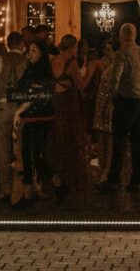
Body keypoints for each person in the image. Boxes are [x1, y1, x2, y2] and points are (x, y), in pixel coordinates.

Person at [96, 23, 140, 194]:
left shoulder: (121, 54)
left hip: (126, 101)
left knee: (119, 141)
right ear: (135, 35)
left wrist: (114, 97)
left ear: (122, 36)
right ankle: (136, 180)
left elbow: (115, 79)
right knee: (137, 142)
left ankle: (113, 180)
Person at [13, 40, 55, 209]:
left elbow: (36, 93)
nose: (30, 54)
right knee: (32, 155)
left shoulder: (41, 71)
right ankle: (38, 189)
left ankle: (31, 192)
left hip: (37, 117)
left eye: (33, 51)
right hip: (32, 116)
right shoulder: (31, 69)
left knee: (32, 154)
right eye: (29, 50)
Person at [50, 34, 91, 202]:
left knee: (59, 137)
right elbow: (81, 85)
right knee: (73, 139)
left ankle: (59, 174)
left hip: (57, 103)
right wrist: (90, 71)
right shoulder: (72, 63)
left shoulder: (54, 61)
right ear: (72, 47)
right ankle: (72, 176)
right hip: (69, 103)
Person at [0, 32, 27, 200]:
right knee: (21, 148)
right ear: (20, 43)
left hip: (2, 105)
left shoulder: (0, 60)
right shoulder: (26, 61)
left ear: (7, 44)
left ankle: (5, 189)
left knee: (2, 149)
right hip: (20, 106)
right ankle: (20, 188)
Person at [92, 38, 118, 182]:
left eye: (109, 50)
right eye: (105, 50)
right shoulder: (102, 63)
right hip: (101, 102)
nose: (106, 53)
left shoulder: (118, 65)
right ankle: (103, 166)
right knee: (102, 136)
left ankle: (108, 169)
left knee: (110, 138)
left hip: (110, 103)